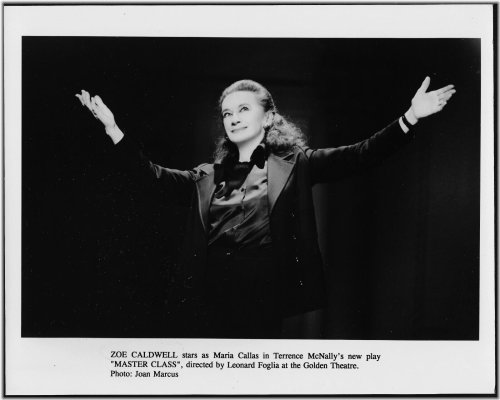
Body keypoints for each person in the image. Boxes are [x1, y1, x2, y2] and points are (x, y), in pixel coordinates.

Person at [75, 78, 455, 338]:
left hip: (264, 296)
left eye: (243, 109)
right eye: (227, 113)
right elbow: (150, 177)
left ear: (269, 117)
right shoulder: (203, 176)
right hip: (209, 296)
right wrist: (113, 129)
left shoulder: (297, 163)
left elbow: (360, 155)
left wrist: (410, 118)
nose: (234, 117)